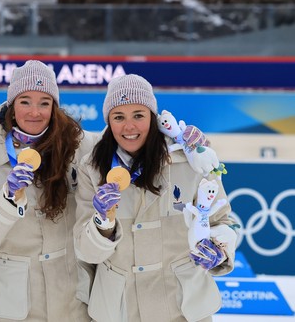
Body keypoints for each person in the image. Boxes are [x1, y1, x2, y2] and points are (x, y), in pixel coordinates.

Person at [73, 74, 238, 322]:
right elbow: (86, 252)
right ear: (109, 121)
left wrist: (219, 248)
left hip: (182, 307)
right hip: (120, 309)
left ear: (153, 117)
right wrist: (103, 223)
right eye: (119, 117)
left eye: (138, 115)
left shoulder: (190, 159)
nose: (129, 127)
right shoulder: (93, 168)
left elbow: (223, 222)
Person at [0, 59, 99, 321]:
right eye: (25, 101)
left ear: (54, 107)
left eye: (44, 103)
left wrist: (176, 138)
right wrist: (6, 199)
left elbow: (128, 140)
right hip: (10, 307)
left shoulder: (81, 147)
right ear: (12, 107)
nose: (34, 112)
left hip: (71, 302)